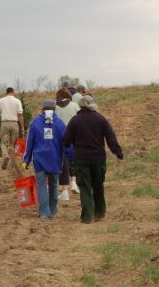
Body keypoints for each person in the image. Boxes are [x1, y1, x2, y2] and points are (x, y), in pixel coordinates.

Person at [62, 95, 123, 224]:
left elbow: (66, 140)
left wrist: (68, 144)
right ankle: (99, 213)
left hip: (81, 159)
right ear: (92, 105)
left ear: (81, 106)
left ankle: (87, 216)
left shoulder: (75, 120)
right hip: (98, 158)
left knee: (84, 187)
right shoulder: (101, 119)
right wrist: (118, 152)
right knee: (98, 185)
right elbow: (110, 137)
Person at [22, 99, 68, 220]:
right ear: (54, 109)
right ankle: (52, 210)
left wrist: (26, 160)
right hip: (55, 160)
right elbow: (66, 143)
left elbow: (29, 143)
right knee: (53, 185)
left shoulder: (35, 123)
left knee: (41, 186)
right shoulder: (60, 123)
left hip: (40, 160)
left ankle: (44, 213)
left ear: (43, 109)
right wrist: (70, 157)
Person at [0, 87, 25, 171]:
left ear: (6, 93)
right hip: (14, 124)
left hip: (4, 124)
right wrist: (22, 127)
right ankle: (13, 163)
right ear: (13, 92)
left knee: (3, 143)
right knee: (14, 144)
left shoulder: (1, 100)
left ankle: (5, 156)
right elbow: (20, 115)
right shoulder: (17, 101)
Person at [54, 89, 81, 201]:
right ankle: (74, 182)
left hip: (60, 138)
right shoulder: (75, 106)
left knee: (63, 163)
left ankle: (65, 191)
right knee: (73, 160)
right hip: (74, 137)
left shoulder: (55, 107)